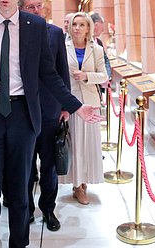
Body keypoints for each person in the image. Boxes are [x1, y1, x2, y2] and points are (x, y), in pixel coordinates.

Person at [0, 0, 102, 248]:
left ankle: (19, 243)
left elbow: (48, 74)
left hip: (23, 116)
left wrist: (75, 106)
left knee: (19, 188)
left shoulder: (35, 27)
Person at [19, 0, 70, 231]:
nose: (38, 10)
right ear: (21, 8)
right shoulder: (14, 33)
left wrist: (66, 106)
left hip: (50, 110)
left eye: (40, 5)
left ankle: (48, 209)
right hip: (23, 112)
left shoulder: (55, 33)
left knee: (49, 165)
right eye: (31, 7)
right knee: (25, 166)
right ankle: (26, 209)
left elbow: (62, 71)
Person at [62, 12, 107, 205]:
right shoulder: (63, 48)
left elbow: (103, 76)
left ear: (88, 28)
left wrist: (86, 75)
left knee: (88, 144)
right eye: (74, 24)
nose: (78, 28)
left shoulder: (96, 49)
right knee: (74, 143)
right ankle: (77, 185)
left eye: (82, 24)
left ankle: (84, 181)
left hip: (90, 101)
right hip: (72, 102)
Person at [90, 12, 112, 84]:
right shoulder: (84, 42)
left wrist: (107, 77)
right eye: (102, 27)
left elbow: (106, 60)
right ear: (96, 24)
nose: (102, 30)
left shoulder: (99, 42)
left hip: (101, 82)